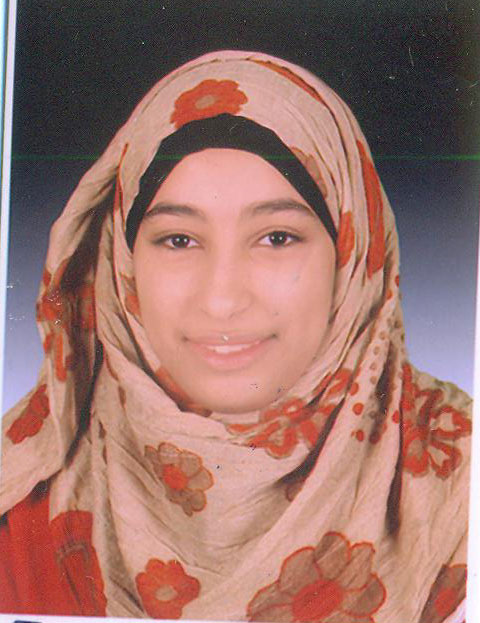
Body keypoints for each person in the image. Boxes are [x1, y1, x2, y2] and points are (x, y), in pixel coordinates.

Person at [0, 50, 471, 622]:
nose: (221, 299)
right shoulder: (20, 510)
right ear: (122, 263)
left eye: (276, 238)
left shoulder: (461, 480)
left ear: (352, 256)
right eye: (178, 240)